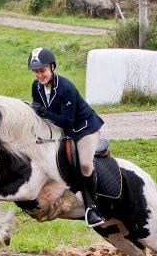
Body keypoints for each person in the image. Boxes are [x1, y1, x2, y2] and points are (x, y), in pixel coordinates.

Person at [28, 47, 106, 228]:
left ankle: (92, 209)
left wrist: (44, 112)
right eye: (36, 72)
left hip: (84, 129)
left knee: (85, 164)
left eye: (43, 70)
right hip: (60, 130)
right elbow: (40, 116)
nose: (40, 75)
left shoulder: (66, 88)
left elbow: (67, 121)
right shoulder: (36, 87)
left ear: (52, 68)